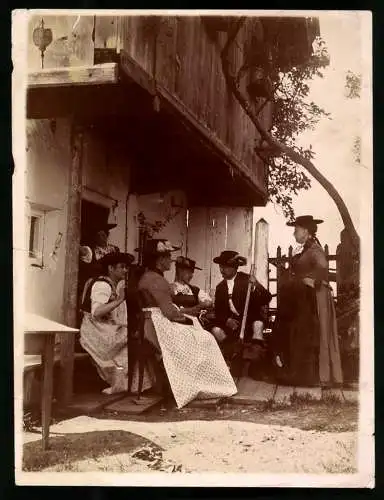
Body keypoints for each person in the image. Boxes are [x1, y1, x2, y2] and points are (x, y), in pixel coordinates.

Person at [138, 239, 237, 408]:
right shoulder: (156, 280)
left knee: (201, 337)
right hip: (155, 325)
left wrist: (185, 315)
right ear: (159, 260)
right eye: (168, 256)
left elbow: (168, 309)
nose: (170, 260)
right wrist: (186, 320)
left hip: (154, 320)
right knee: (202, 339)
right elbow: (169, 312)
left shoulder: (150, 277)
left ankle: (199, 381)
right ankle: (195, 385)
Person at [271, 215, 343, 388]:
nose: (294, 233)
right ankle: (295, 373)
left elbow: (322, 267)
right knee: (294, 332)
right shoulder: (303, 250)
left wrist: (311, 281)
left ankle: (312, 376)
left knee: (306, 333)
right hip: (299, 299)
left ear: (305, 231)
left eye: (296, 230)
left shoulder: (315, 249)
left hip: (312, 300)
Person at [80, 251, 154, 394]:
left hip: (106, 327)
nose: (125, 270)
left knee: (136, 335)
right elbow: (97, 312)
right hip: (95, 330)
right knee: (133, 336)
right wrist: (119, 300)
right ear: (111, 268)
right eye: (122, 267)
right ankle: (121, 384)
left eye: (126, 267)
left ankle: (130, 385)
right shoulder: (102, 285)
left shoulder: (114, 284)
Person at [211, 251, 272, 361]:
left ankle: (255, 362)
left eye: (225, 267)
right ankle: (232, 356)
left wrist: (256, 285)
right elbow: (218, 312)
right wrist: (227, 320)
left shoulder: (247, 280)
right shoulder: (220, 287)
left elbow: (267, 298)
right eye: (220, 266)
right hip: (233, 324)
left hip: (249, 321)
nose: (221, 270)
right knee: (216, 330)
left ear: (235, 268)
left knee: (258, 325)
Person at [170, 256, 213, 321]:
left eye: (192, 272)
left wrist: (206, 304)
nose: (191, 275)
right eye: (189, 272)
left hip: (194, 323)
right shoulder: (169, 288)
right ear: (180, 271)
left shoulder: (195, 290)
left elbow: (209, 302)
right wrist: (197, 307)